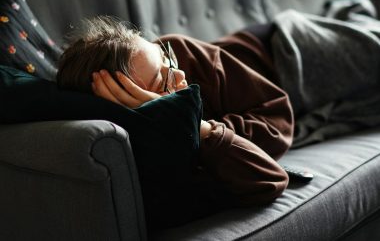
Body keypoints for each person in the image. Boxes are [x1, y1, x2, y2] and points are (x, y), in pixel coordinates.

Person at [57, 16, 294, 209]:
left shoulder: (180, 51)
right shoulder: (155, 146)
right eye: (162, 80)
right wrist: (193, 124)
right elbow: (269, 178)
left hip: (282, 46)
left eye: (164, 57)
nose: (179, 74)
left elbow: (278, 121)